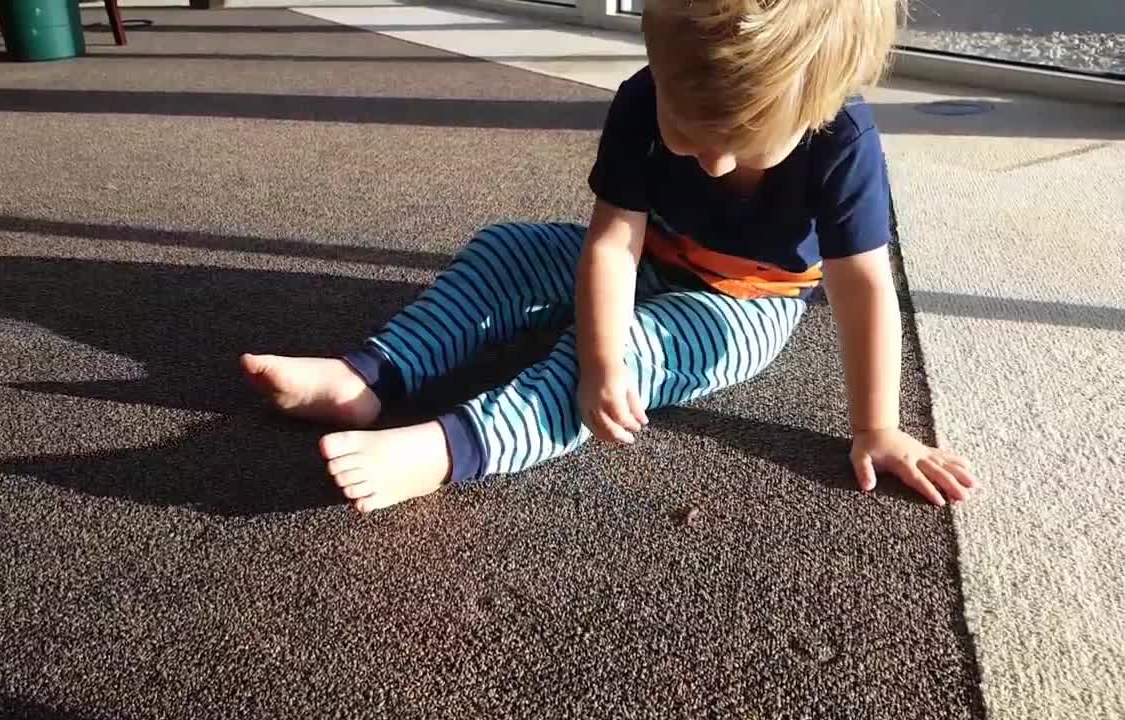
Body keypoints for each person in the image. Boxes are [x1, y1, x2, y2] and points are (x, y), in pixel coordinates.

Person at [241, 0, 980, 513]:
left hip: (749, 305)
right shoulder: (640, 99)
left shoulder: (842, 141)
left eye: (744, 147)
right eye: (688, 132)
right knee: (506, 250)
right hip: (649, 258)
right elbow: (611, 240)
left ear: (814, 112)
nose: (714, 165)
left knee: (631, 348)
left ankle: (449, 447)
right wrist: (596, 355)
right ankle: (371, 375)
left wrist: (875, 426)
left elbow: (863, 290)